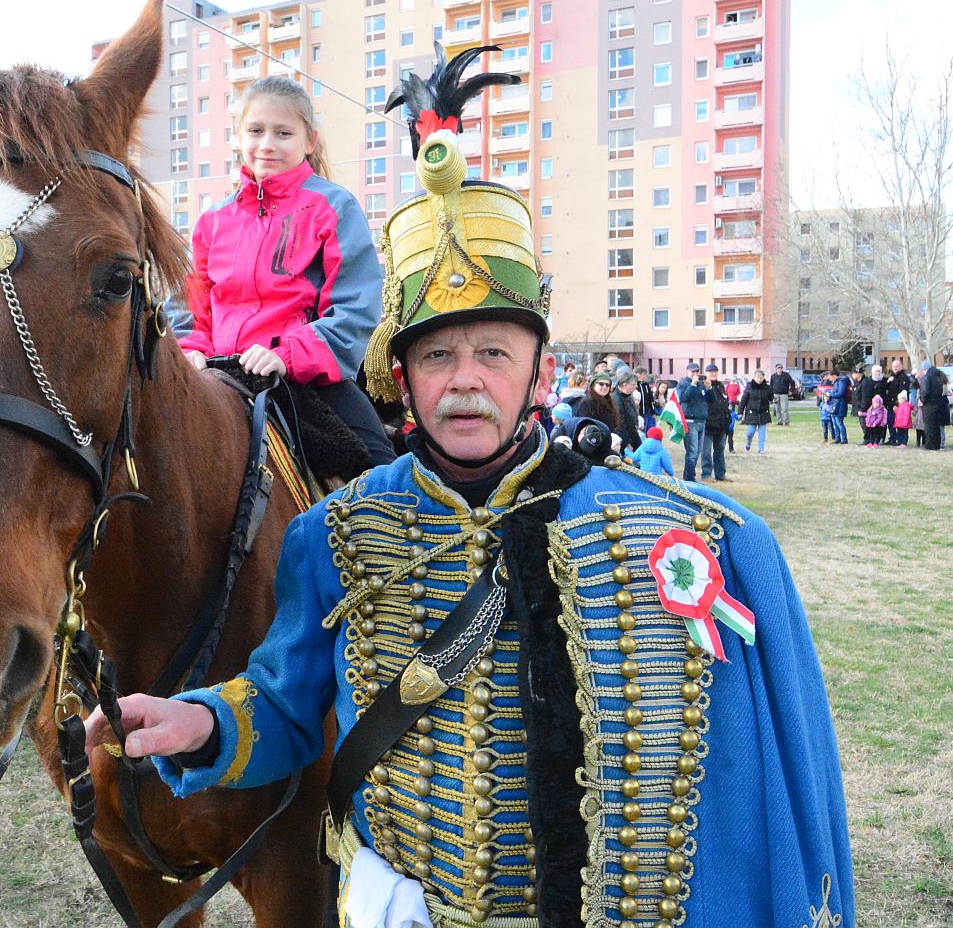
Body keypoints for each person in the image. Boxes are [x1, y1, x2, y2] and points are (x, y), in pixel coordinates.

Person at [85, 106, 853, 928]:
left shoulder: (695, 540)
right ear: (401, 376)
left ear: (540, 371)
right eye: (437, 355)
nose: (464, 381)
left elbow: (750, 799)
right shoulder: (330, 537)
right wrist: (200, 720)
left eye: (493, 353)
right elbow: (281, 703)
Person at [179, 75, 394, 467]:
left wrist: (288, 355)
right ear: (238, 136)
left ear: (308, 141)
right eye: (256, 131)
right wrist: (191, 351)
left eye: (283, 133)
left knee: (380, 470)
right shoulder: (212, 220)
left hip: (304, 378)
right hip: (216, 374)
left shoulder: (334, 207)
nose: (267, 145)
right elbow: (194, 308)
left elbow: (356, 307)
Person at [675, 362, 709, 482]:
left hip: (701, 421)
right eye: (693, 372)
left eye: (697, 371)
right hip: (690, 421)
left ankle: (690, 475)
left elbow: (709, 400)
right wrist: (692, 385)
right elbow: (683, 398)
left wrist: (709, 388)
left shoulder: (701, 384)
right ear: (687, 372)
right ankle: (689, 477)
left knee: (697, 451)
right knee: (692, 451)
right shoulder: (682, 384)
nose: (695, 374)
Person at [703, 365, 731, 481]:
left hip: (721, 424)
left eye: (715, 371)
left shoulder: (720, 386)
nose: (713, 374)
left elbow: (725, 402)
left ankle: (720, 474)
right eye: (711, 372)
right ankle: (706, 474)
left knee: (719, 450)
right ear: (706, 373)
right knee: (706, 451)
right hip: (708, 424)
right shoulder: (703, 386)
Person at [740, 369, 773, 453]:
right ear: (754, 377)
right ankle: (748, 443)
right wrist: (740, 412)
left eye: (761, 378)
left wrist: (774, 398)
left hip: (763, 413)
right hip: (752, 413)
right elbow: (743, 400)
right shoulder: (749, 387)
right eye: (758, 378)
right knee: (750, 432)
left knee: (762, 433)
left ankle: (761, 448)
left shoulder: (767, 387)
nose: (759, 380)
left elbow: (771, 398)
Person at [919, 360, 948, 451]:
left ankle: (929, 445)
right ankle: (937, 444)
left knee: (928, 425)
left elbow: (925, 391)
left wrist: (922, 400)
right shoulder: (939, 375)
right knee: (936, 425)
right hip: (938, 403)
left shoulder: (927, 377)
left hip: (929, 404)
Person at [611, 372, 643, 453]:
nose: (636, 386)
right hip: (625, 438)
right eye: (634, 384)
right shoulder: (616, 398)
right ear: (625, 385)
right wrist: (627, 442)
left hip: (633, 433)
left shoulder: (628, 395)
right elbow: (619, 423)